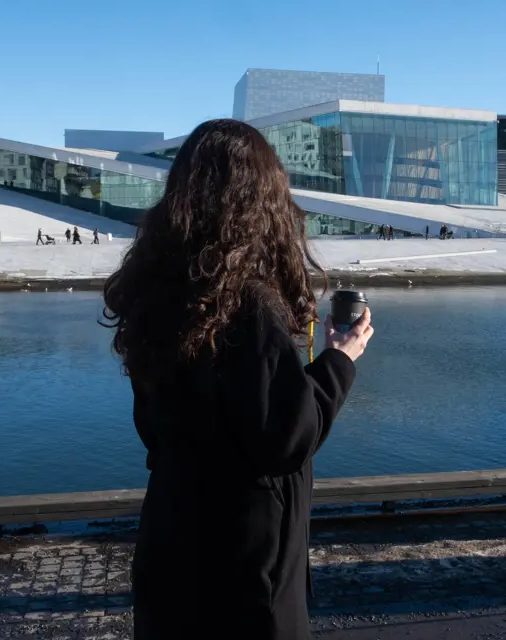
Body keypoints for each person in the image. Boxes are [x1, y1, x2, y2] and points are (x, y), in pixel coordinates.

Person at [101, 119, 374, 640]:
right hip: (244, 574)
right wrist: (341, 359)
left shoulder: (157, 299)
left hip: (171, 551)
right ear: (261, 203)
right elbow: (286, 436)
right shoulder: (248, 305)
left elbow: (157, 430)